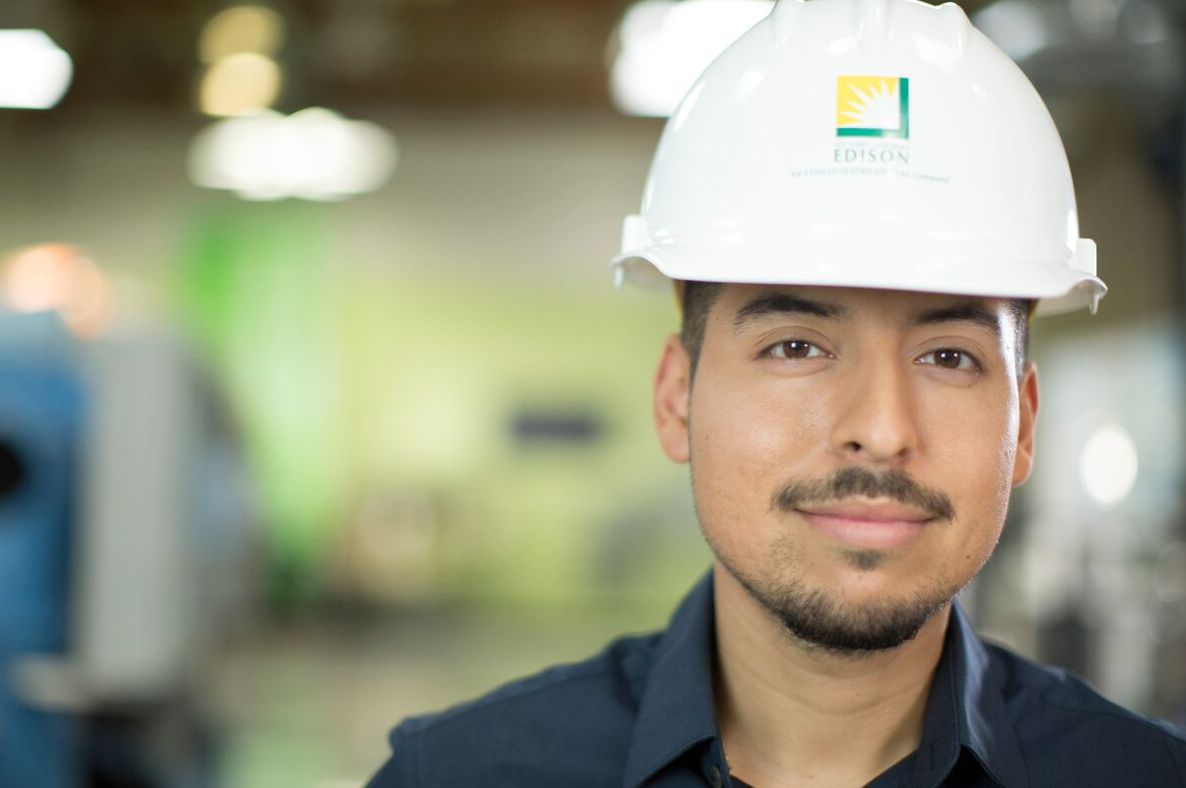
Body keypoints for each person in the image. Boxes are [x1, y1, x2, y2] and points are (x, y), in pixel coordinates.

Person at [366, 0, 1186, 784]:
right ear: (676, 399)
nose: (881, 428)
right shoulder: (463, 776)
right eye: (796, 346)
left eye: (949, 357)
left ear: (1025, 424)